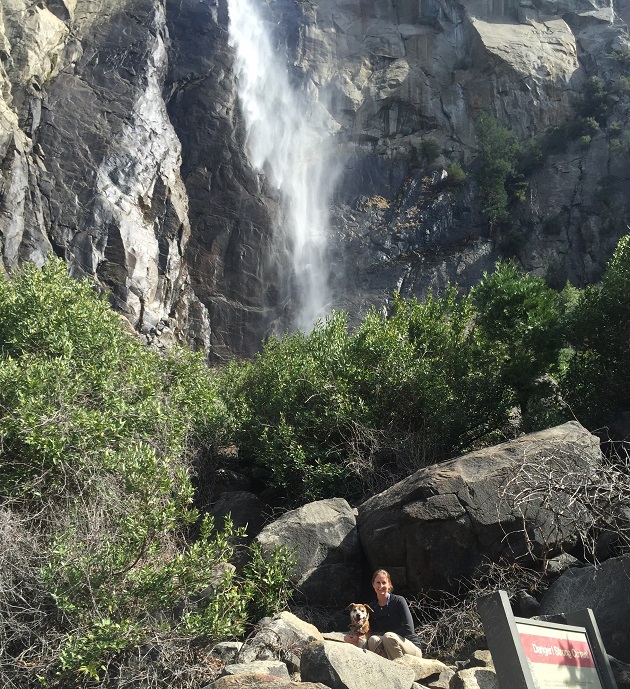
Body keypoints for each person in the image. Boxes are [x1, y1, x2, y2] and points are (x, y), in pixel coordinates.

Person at [364, 568, 423, 660]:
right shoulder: (372, 607)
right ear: (373, 585)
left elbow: (409, 628)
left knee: (388, 637)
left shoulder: (399, 601)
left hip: (410, 647)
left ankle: (400, 669)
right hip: (387, 646)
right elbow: (370, 630)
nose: (381, 586)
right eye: (378, 583)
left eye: (384, 582)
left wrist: (385, 635)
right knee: (373, 640)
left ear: (389, 585)